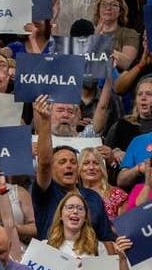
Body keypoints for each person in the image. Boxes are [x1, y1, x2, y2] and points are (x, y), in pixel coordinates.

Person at [33, 95, 117, 241]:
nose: (69, 165)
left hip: (87, 259)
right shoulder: (46, 193)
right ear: (52, 169)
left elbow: (106, 238)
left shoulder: (93, 197)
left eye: (73, 161)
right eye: (62, 162)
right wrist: (45, 120)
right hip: (52, 258)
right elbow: (45, 162)